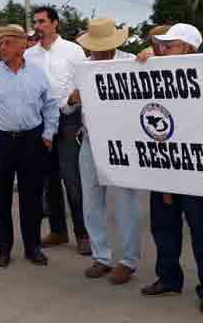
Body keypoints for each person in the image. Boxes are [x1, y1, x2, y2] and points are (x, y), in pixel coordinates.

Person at [139, 24, 203, 315]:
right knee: (163, 228)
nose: (163, 50)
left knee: (201, 232)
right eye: (162, 45)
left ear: (188, 49)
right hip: (163, 171)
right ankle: (169, 278)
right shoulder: (154, 78)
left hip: (196, 173)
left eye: (170, 45)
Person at [0, 24, 59, 268]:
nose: (2, 48)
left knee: (32, 197)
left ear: (22, 44)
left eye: (7, 43)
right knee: (0, 196)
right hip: (0, 141)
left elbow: (50, 105)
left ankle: (33, 247)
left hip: (32, 140)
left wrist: (49, 134)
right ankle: (2, 248)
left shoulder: (38, 73)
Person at [69, 18, 141, 284]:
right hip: (90, 140)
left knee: (125, 202)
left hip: (123, 141)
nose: (97, 51)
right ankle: (101, 256)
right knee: (91, 201)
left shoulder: (132, 62)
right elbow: (67, 105)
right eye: (94, 47)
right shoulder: (84, 67)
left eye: (102, 46)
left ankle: (129, 260)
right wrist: (71, 99)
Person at [24, 6, 90, 255]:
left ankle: (84, 234)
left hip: (68, 121)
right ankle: (58, 231)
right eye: (35, 22)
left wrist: (73, 101)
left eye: (42, 21)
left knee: (72, 179)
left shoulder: (73, 51)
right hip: (41, 124)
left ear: (55, 23)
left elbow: (85, 82)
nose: (38, 26)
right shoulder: (30, 55)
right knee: (48, 179)